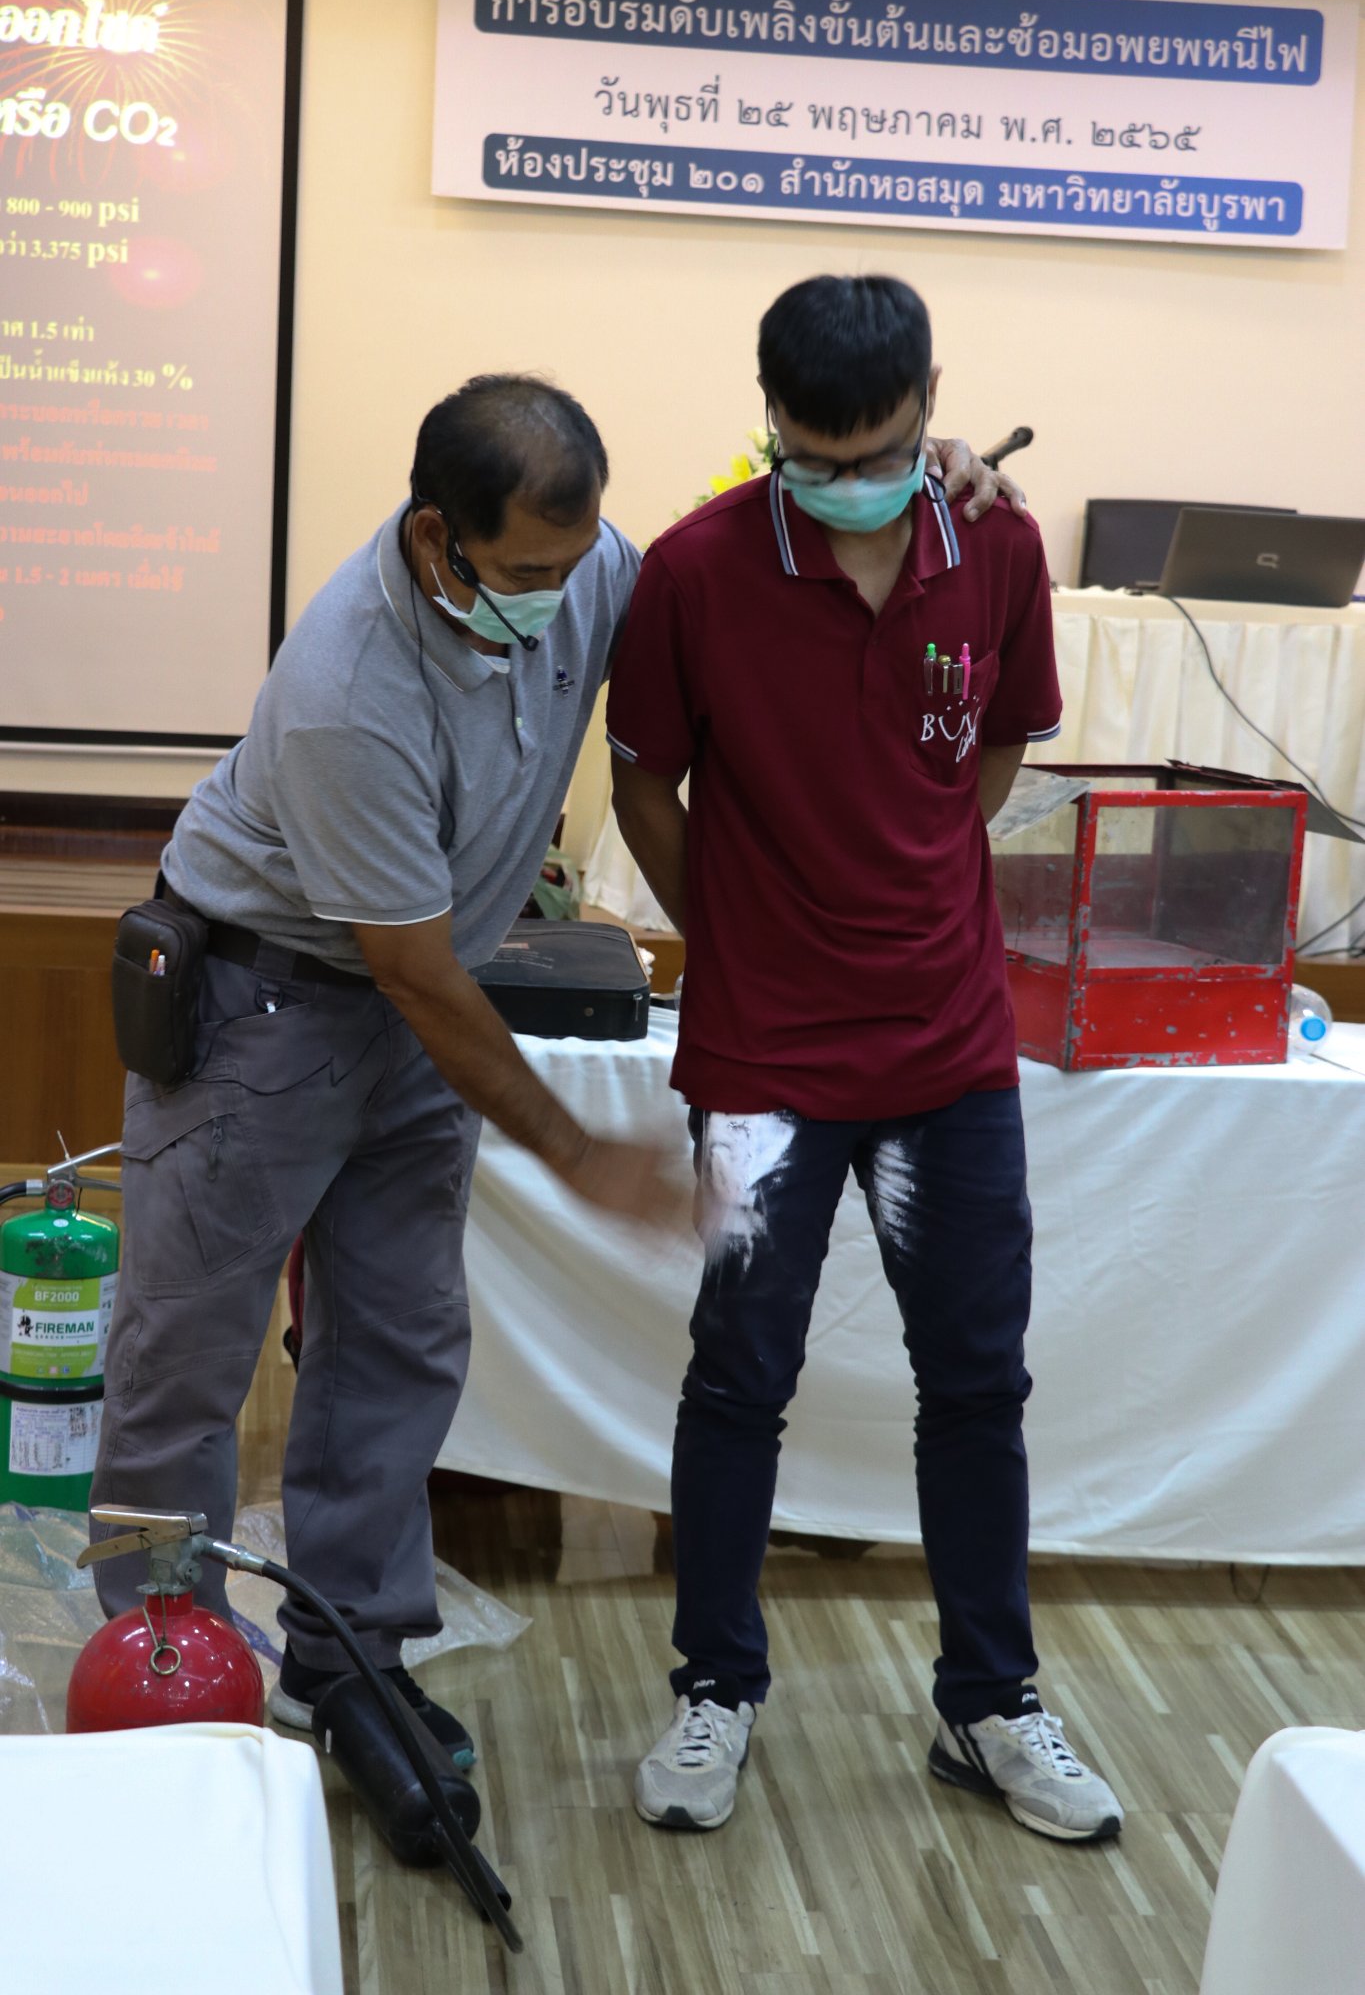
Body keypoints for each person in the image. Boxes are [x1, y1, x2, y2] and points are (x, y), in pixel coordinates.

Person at [92, 368, 1011, 1761]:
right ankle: (164, 1674)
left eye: (574, 564)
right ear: (436, 537)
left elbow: (732, 579)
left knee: (397, 1341)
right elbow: (413, 974)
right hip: (257, 1009)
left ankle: (350, 1660)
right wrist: (579, 1156)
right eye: (526, 572)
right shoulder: (349, 687)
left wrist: (898, 482)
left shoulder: (586, 570)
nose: (559, 596)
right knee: (186, 1357)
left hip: (416, 1009)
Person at [608, 276, 1123, 1843]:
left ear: (931, 406)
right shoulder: (696, 569)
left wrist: (907, 874)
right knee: (738, 1377)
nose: (849, 481)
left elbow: (1000, 743)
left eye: (882, 453)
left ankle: (989, 1705)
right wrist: (741, 933)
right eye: (815, 456)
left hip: (947, 1052)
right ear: (766, 415)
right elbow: (641, 786)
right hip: (763, 1057)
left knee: (974, 1384)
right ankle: (714, 1689)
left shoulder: (995, 547)